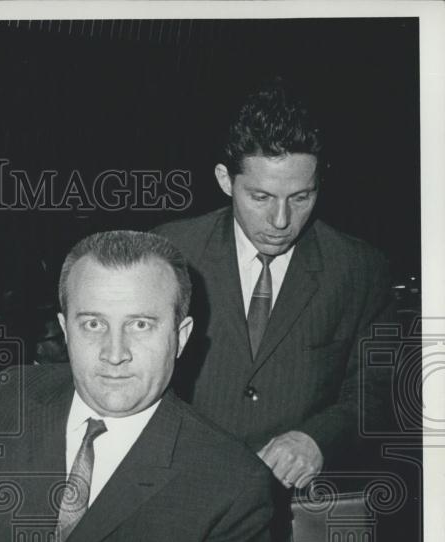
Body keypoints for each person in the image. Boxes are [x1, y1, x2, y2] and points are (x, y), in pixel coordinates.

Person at [0, 231, 273, 542]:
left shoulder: (230, 483)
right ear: (64, 330)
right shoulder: (12, 397)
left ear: (182, 336)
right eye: (92, 324)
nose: (114, 352)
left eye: (140, 324)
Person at [154, 81, 393, 488]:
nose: (281, 221)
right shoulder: (168, 253)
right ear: (225, 181)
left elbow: (378, 390)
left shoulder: (360, 268)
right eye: (261, 197)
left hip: (299, 503)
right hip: (180, 485)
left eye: (301, 198)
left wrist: (318, 438)